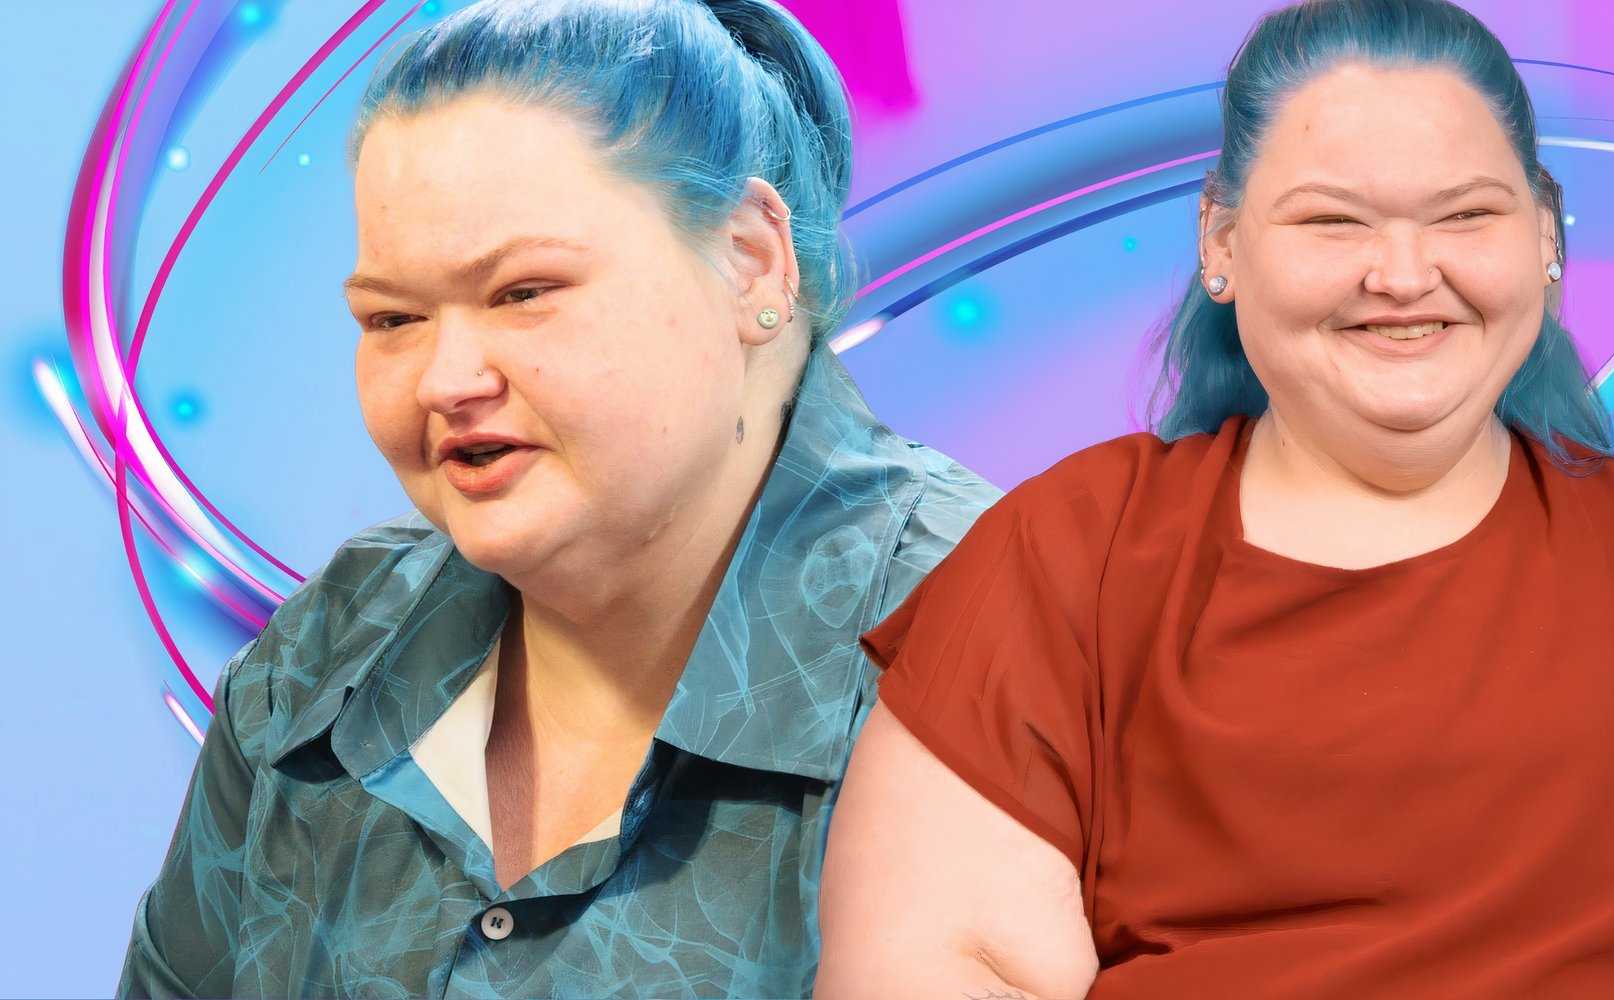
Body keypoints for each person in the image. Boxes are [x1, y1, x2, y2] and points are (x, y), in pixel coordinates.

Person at [815, 1, 1614, 997]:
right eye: (1331, 221)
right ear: (1219, 242)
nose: (1403, 275)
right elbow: (935, 960)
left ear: (1546, 240)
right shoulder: (1064, 558)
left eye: (1464, 217)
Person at [117, 1, 994, 995]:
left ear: (751, 258)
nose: (446, 380)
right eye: (393, 316)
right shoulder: (320, 662)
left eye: (522, 292)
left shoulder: (1019, 654)